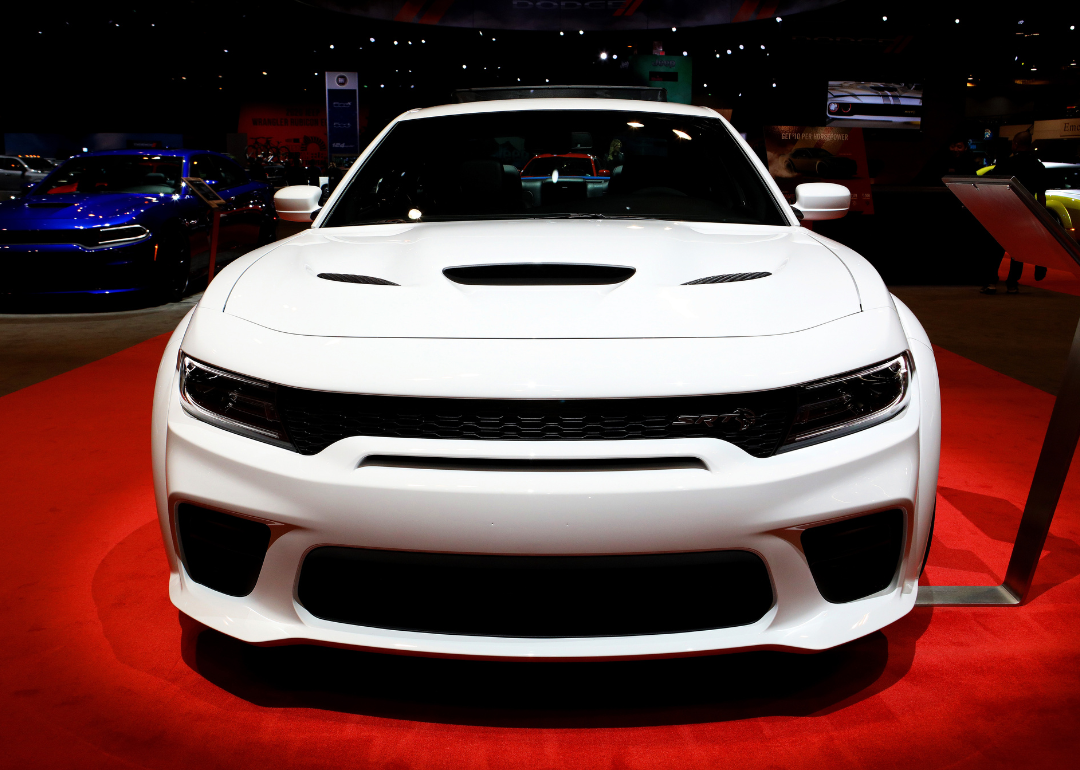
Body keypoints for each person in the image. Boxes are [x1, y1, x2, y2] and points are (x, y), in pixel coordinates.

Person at [981, 131, 1048, 294]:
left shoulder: (1006, 164)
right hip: (1024, 211)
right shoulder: (1038, 166)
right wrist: (1041, 215)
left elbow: (993, 187)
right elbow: (1041, 194)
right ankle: (1012, 283)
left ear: (1015, 144)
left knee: (995, 248)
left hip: (1004, 210)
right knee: (1017, 250)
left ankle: (991, 282)